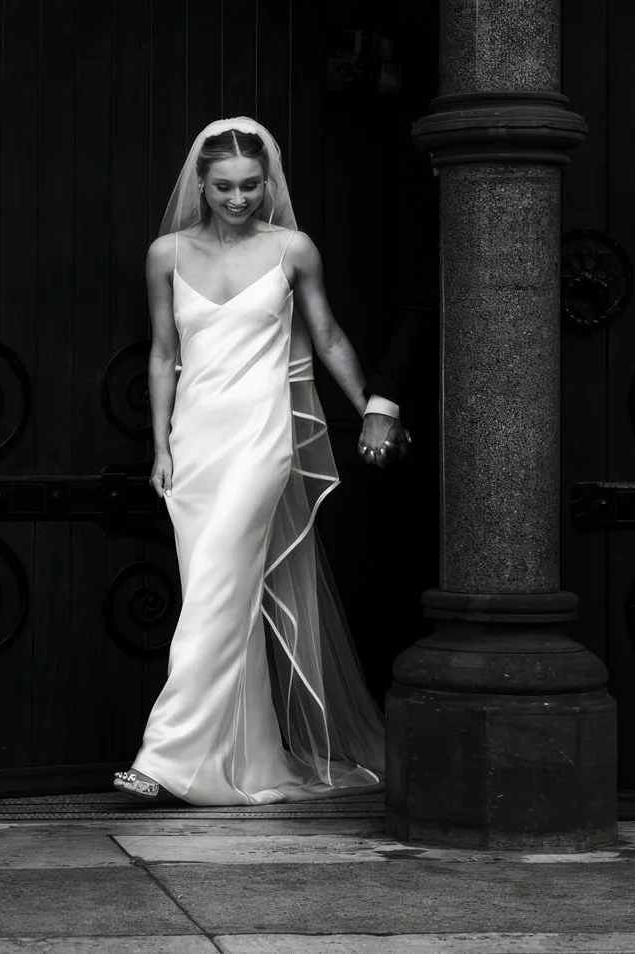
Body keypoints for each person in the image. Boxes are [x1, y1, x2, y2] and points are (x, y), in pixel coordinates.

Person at [112, 116, 410, 804]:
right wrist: (158, 446)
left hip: (260, 438)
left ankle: (161, 759)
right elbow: (163, 354)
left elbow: (327, 334)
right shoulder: (166, 254)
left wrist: (372, 406)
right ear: (201, 183)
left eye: (250, 185)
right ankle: (243, 768)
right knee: (224, 602)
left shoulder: (292, 249)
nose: (239, 198)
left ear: (267, 181)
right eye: (224, 187)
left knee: (217, 587)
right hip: (194, 443)